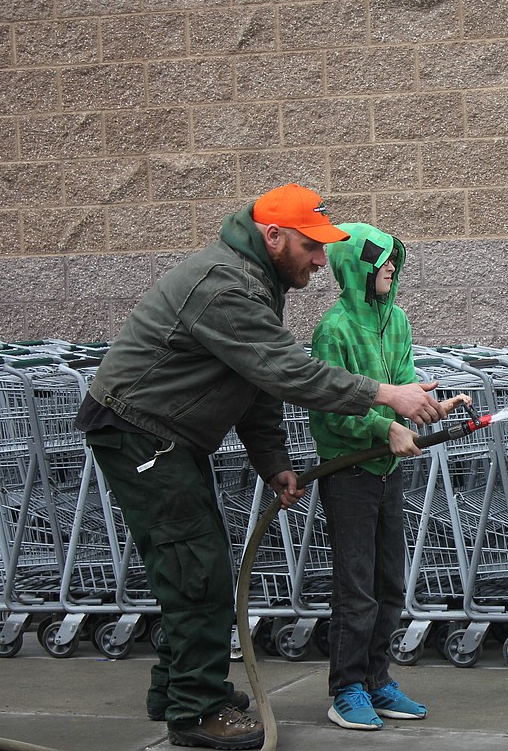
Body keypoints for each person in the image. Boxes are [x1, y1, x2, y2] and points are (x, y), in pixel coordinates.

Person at [74, 184, 447, 750]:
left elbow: (254, 381)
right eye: (311, 247)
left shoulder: (256, 282)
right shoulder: (224, 285)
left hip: (168, 436)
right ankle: (196, 712)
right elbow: (287, 372)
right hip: (140, 433)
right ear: (273, 236)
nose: (322, 262)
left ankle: (177, 689)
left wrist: (272, 460)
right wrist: (384, 395)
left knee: (194, 562)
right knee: (195, 566)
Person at [309, 223, 469, 731]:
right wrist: (383, 425)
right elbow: (330, 409)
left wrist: (428, 408)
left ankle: (378, 681)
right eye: (383, 262)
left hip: (386, 471)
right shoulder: (333, 330)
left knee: (389, 584)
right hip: (350, 474)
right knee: (356, 588)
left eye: (394, 260)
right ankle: (347, 689)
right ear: (357, 268)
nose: (393, 269)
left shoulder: (396, 319)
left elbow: (399, 387)